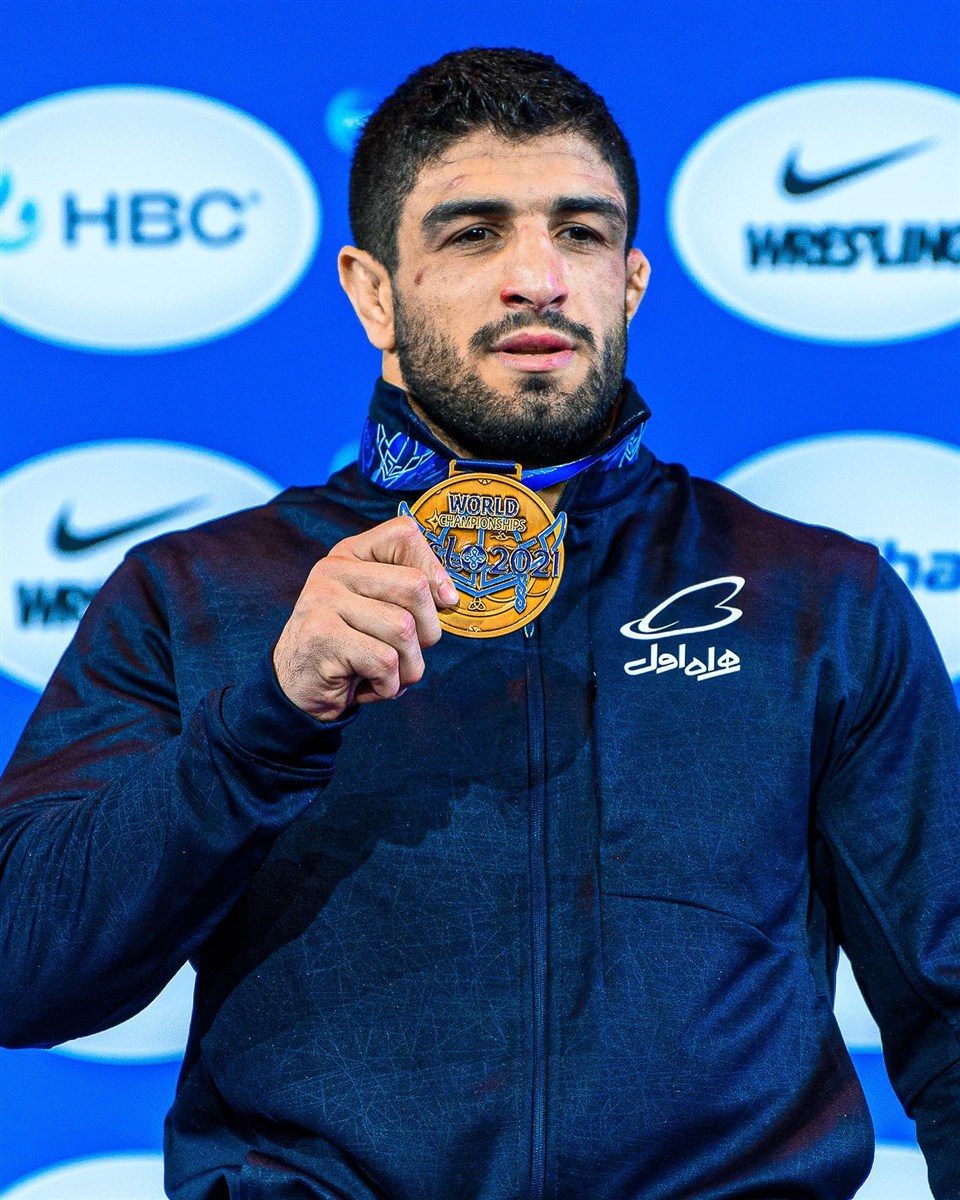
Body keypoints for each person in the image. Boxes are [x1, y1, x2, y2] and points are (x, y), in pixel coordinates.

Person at [1, 47, 958, 1200]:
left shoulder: (819, 600)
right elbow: (22, 967)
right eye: (473, 234)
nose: (537, 278)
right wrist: (265, 723)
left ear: (631, 280)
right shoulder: (197, 592)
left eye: (581, 233)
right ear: (372, 292)